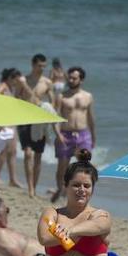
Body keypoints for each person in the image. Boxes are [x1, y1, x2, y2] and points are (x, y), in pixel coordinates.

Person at [50, 66, 95, 203]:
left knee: (84, 165)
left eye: (74, 78)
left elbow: (90, 117)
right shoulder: (62, 96)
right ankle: (61, 189)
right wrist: (58, 134)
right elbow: (55, 116)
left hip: (83, 134)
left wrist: (93, 135)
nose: (71, 80)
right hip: (65, 133)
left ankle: (83, 193)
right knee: (63, 166)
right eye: (69, 77)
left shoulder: (87, 96)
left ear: (81, 80)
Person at [19, 54, 53, 197]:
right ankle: (30, 188)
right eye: (39, 66)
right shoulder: (24, 80)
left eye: (44, 66)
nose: (42, 69)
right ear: (33, 65)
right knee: (27, 153)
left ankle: (35, 184)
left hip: (40, 120)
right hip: (25, 119)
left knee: (38, 155)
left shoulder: (47, 82)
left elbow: (53, 102)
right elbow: (17, 98)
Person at [0, 68, 25, 189]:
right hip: (3, 122)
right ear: (11, 77)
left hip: (11, 122)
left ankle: (12, 179)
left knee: (13, 151)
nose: (17, 82)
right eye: (16, 79)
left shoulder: (12, 88)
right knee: (4, 151)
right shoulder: (3, 86)